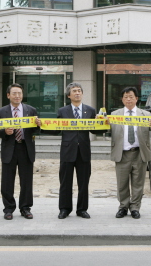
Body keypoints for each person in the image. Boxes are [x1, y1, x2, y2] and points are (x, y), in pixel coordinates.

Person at [0, 83, 41, 220]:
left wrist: (38, 125)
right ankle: (8, 209)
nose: (17, 96)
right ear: (8, 95)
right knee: (7, 181)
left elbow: (35, 130)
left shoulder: (31, 110)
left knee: (26, 181)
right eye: (14, 93)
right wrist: (5, 132)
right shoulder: (1, 112)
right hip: (10, 148)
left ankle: (25, 208)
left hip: (25, 148)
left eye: (19, 93)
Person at [54, 82, 98, 219]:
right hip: (67, 151)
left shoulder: (90, 110)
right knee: (65, 182)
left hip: (84, 151)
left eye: (79, 90)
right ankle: (64, 209)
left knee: (84, 183)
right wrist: (41, 125)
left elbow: (95, 129)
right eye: (74, 91)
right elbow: (56, 130)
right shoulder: (62, 111)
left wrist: (104, 123)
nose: (77, 93)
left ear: (82, 94)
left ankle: (82, 209)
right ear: (69, 95)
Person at [110, 87, 151, 219]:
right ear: (122, 99)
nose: (128, 99)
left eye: (131, 96)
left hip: (139, 153)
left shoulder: (146, 115)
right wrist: (101, 120)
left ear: (136, 99)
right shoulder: (115, 115)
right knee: (122, 183)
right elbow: (101, 127)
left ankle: (135, 208)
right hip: (122, 154)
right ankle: (123, 207)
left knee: (138, 183)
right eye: (126, 97)